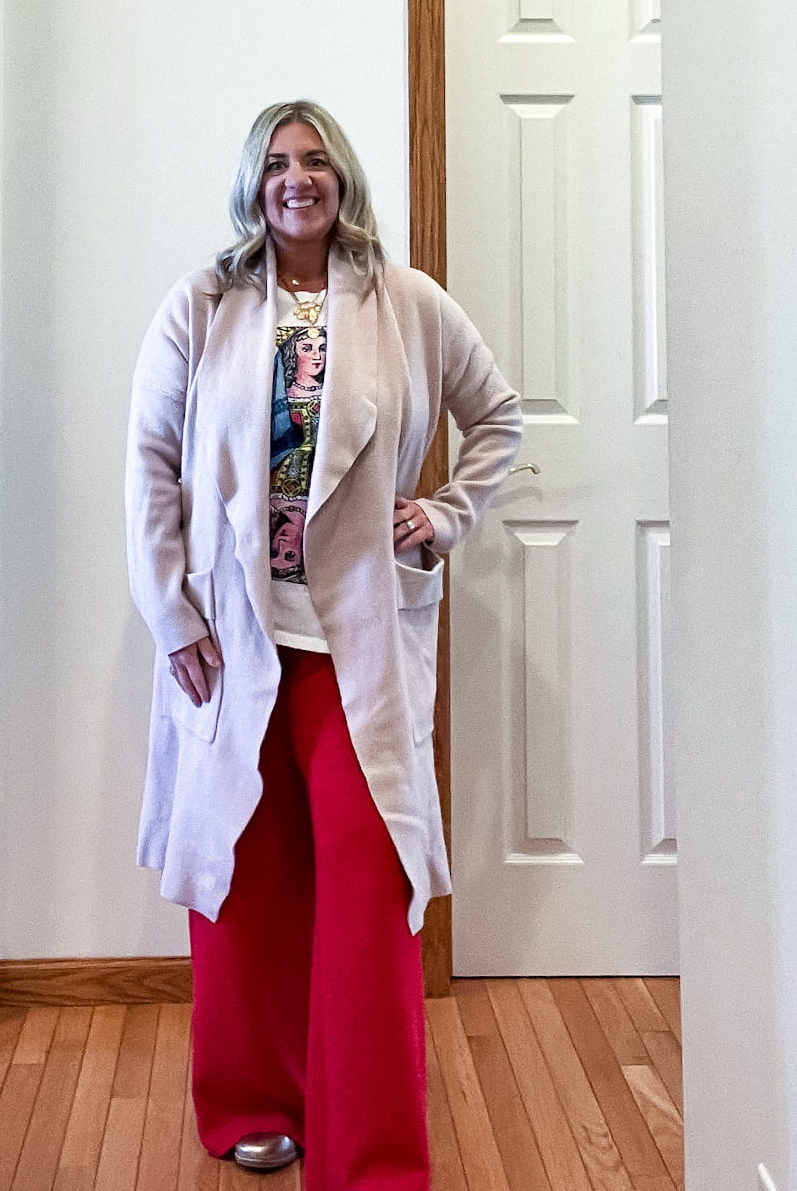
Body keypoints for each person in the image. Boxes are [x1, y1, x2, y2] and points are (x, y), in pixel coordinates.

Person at [125, 99, 522, 1189]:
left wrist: (443, 513)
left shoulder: (408, 305)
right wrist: (171, 611)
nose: (297, 178)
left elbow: (501, 417)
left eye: (316, 161)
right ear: (254, 182)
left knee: (365, 888)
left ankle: (373, 1152)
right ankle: (256, 1100)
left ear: (343, 178)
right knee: (246, 882)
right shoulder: (202, 306)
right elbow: (153, 460)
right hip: (236, 633)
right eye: (277, 162)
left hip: (358, 645)